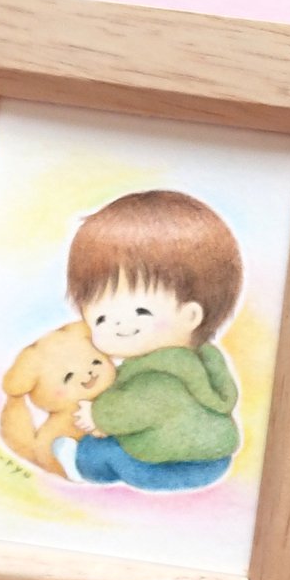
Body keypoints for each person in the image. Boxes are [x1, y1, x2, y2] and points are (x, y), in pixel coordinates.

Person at [52, 190, 243, 491]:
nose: (117, 325)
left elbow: (137, 409)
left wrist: (97, 415)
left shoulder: (159, 377)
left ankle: (80, 468)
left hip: (160, 468)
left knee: (99, 449)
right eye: (101, 319)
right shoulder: (202, 362)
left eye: (141, 311)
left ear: (191, 316)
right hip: (214, 461)